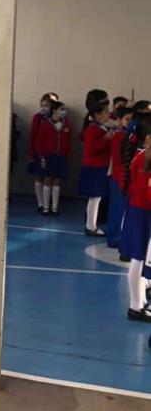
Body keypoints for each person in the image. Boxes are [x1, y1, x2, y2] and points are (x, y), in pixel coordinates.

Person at [119, 113, 151, 322]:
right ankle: (136, 305)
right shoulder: (142, 160)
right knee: (139, 260)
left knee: (140, 261)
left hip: (140, 212)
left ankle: (138, 305)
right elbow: (143, 192)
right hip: (143, 214)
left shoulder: (139, 157)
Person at [79, 102, 114, 236]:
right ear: (97, 115)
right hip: (94, 167)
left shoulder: (101, 128)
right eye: (105, 112)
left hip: (100, 167)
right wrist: (106, 139)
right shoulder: (92, 129)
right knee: (95, 197)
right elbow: (92, 149)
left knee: (97, 197)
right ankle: (91, 226)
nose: (108, 114)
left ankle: (91, 224)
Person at [33, 99, 73, 216]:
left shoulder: (67, 124)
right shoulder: (45, 124)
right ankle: (45, 207)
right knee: (47, 179)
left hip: (60, 156)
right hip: (48, 156)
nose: (63, 111)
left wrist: (67, 156)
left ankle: (55, 208)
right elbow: (39, 143)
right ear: (54, 110)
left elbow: (68, 142)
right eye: (61, 109)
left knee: (57, 181)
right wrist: (41, 158)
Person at [107, 106, 133, 251]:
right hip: (119, 176)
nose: (129, 123)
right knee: (117, 208)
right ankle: (114, 237)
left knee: (125, 209)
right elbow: (119, 159)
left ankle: (121, 235)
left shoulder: (130, 136)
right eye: (127, 119)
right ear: (120, 120)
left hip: (127, 178)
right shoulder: (118, 136)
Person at [28, 92, 60, 212]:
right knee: (39, 176)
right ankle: (40, 203)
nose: (46, 107)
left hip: (51, 152)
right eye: (44, 104)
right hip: (38, 150)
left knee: (51, 177)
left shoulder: (59, 118)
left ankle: (50, 202)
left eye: (49, 105)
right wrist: (31, 153)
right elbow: (33, 135)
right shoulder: (38, 117)